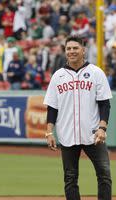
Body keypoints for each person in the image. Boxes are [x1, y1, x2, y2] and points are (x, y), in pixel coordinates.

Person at [43, 35, 112, 200]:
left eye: (75, 48)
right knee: (70, 178)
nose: (72, 51)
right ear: (65, 51)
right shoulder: (58, 76)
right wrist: (49, 132)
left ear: (83, 50)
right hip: (68, 134)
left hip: (93, 133)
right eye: (68, 49)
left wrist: (102, 128)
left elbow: (104, 104)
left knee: (104, 174)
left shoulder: (96, 73)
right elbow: (52, 107)